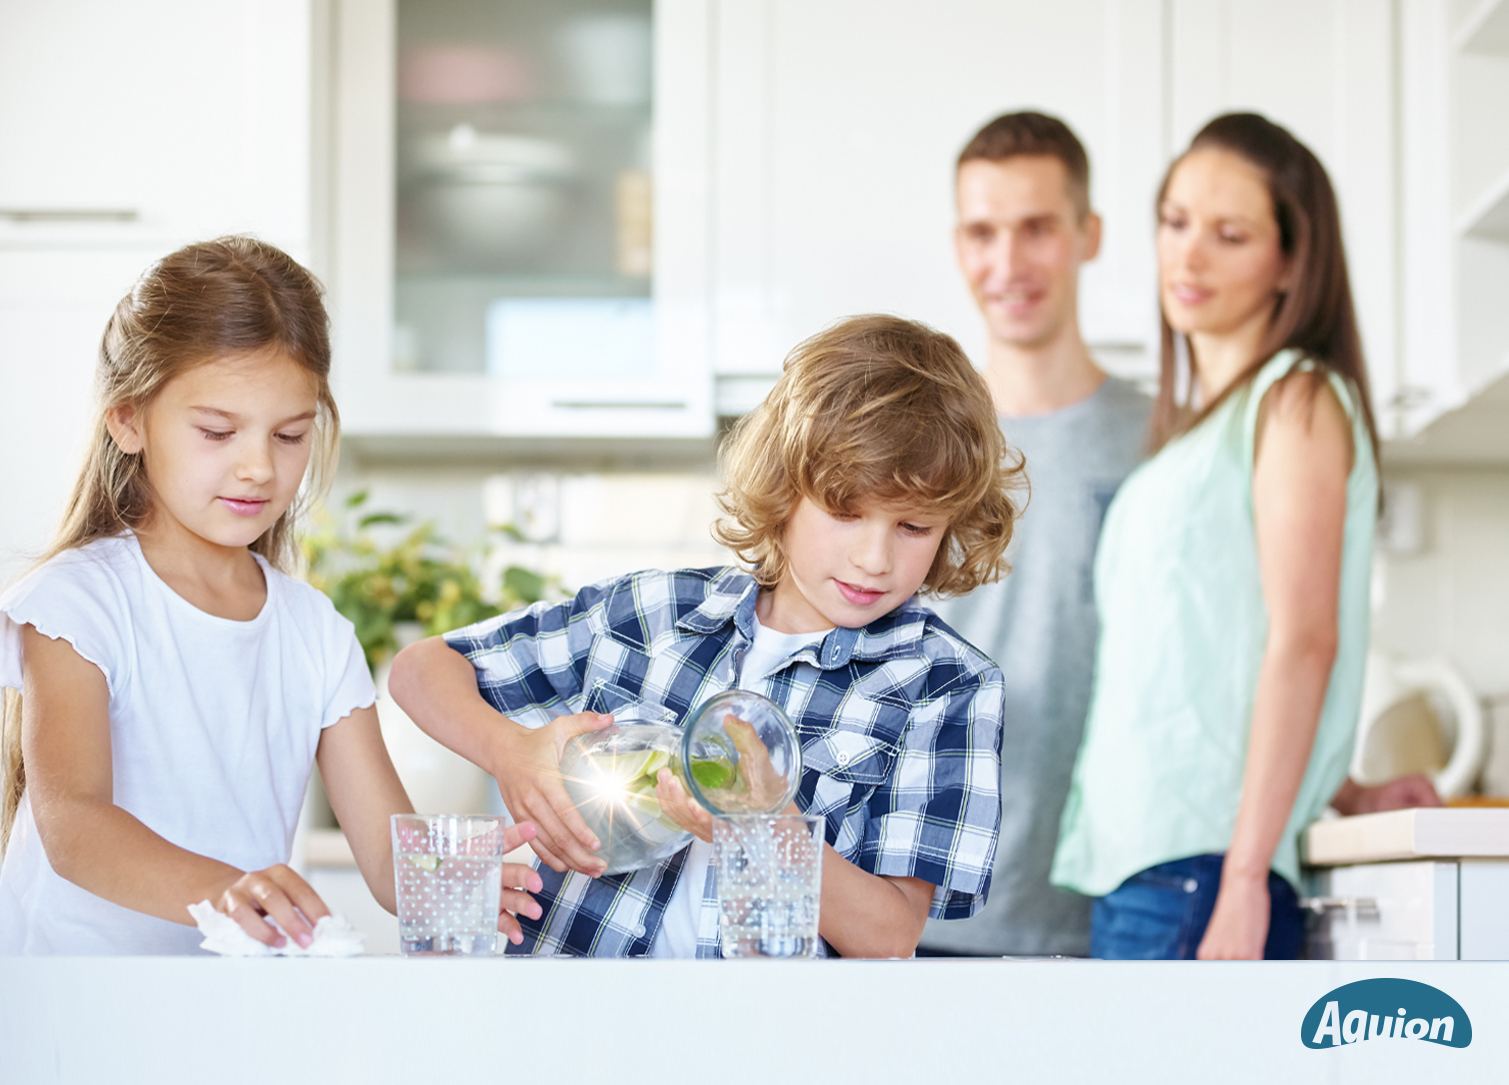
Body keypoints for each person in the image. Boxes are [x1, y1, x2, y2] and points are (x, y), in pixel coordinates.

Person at [389, 315, 1022, 958]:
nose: (874, 558)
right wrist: (510, 751)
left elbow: (890, 935)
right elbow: (420, 670)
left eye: (913, 527)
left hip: (763, 1045)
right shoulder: (650, 613)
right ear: (784, 491)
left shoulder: (946, 687)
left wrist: (764, 825)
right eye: (845, 511)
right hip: (571, 1026)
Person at [0, 237, 541, 954]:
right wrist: (227, 889)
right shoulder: (78, 602)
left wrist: (451, 876)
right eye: (217, 431)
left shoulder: (312, 630)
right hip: (68, 1008)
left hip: (226, 1007)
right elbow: (74, 824)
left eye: (289, 435)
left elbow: (385, 854)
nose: (258, 466)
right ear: (129, 420)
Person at [1052, 113, 1436, 961]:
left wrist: (1242, 875)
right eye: (1175, 221)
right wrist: (1342, 787)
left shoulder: (1294, 399)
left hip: (1202, 873)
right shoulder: (1193, 435)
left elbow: (1303, 640)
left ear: (1291, 262)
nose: (1187, 256)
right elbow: (1211, 658)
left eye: (1229, 235)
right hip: (1143, 866)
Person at [917, 112, 1153, 959]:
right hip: (923, 907)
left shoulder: (1162, 440)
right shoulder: (916, 438)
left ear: (1088, 235)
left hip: (1112, 910)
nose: (1008, 264)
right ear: (957, 244)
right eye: (983, 232)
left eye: (1037, 229)